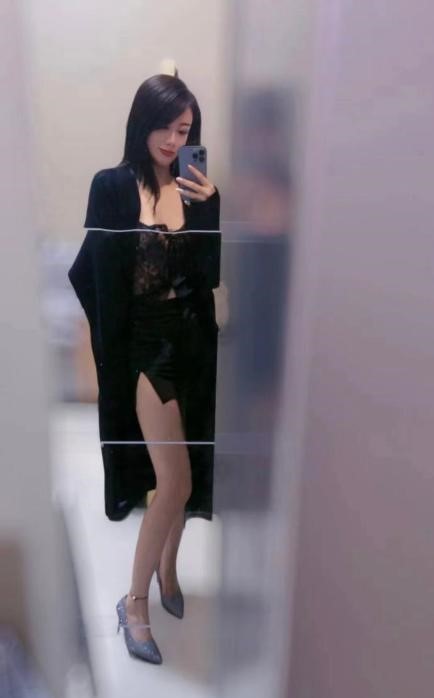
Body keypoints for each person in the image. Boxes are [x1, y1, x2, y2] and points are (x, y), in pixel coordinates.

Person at [68, 74, 221, 664]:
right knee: (173, 480)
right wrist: (114, 349)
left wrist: (209, 210)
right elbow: (88, 272)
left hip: (192, 349)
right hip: (144, 353)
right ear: (142, 122)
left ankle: (168, 569)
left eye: (184, 130)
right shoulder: (111, 186)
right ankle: (134, 603)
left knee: (188, 475)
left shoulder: (196, 189)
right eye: (164, 126)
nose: (172, 140)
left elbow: (208, 275)